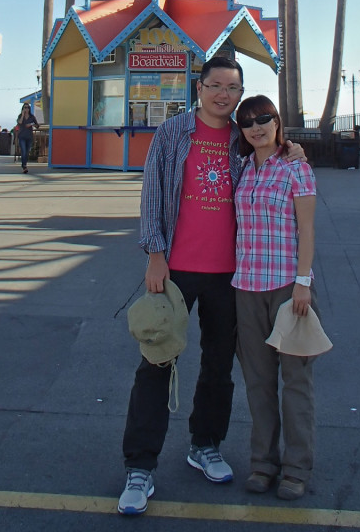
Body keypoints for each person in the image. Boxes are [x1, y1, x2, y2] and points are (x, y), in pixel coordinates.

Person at [117, 56, 305, 516]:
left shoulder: (246, 139)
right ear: (199, 88)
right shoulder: (173, 133)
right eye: (216, 85)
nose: (224, 94)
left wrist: (292, 148)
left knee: (219, 367)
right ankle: (140, 467)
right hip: (175, 271)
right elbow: (153, 194)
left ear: (241, 93)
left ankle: (205, 444)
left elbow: (278, 157)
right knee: (156, 364)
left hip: (232, 275)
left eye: (233, 87)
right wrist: (155, 255)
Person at [232, 94, 319, 501]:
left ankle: (297, 468)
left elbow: (307, 230)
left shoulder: (295, 167)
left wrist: (304, 282)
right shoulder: (243, 169)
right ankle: (263, 463)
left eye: (264, 118)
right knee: (258, 383)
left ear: (277, 121)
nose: (257, 127)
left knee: (295, 381)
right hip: (246, 288)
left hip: (288, 288)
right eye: (248, 122)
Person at [16, 102, 39, 174]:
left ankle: (24, 164)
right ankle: (24, 166)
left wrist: (31, 124)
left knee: (27, 152)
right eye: (25, 107)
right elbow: (19, 123)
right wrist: (23, 115)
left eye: (27, 107)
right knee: (23, 151)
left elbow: (37, 125)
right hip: (22, 136)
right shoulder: (20, 116)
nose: (26, 109)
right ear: (23, 109)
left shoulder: (32, 117)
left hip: (29, 136)